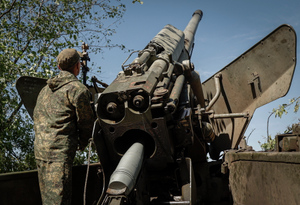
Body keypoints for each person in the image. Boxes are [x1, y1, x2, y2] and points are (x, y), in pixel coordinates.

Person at [33, 48, 95, 204]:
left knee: (48, 200)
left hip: (40, 152)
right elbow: (87, 124)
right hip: (59, 155)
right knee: (60, 200)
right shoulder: (78, 90)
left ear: (59, 67)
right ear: (77, 66)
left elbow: (37, 117)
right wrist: (82, 143)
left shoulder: (45, 89)